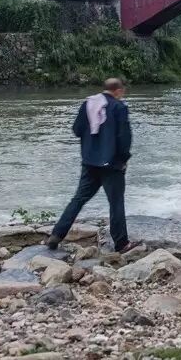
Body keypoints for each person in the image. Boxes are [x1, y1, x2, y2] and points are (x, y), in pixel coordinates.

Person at [47, 78, 138, 253]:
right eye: (122, 91)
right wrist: (123, 160)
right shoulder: (119, 107)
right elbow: (124, 138)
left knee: (78, 199)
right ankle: (121, 243)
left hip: (89, 162)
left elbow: (76, 130)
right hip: (112, 164)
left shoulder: (88, 104)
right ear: (118, 91)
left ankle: (56, 235)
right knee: (116, 203)